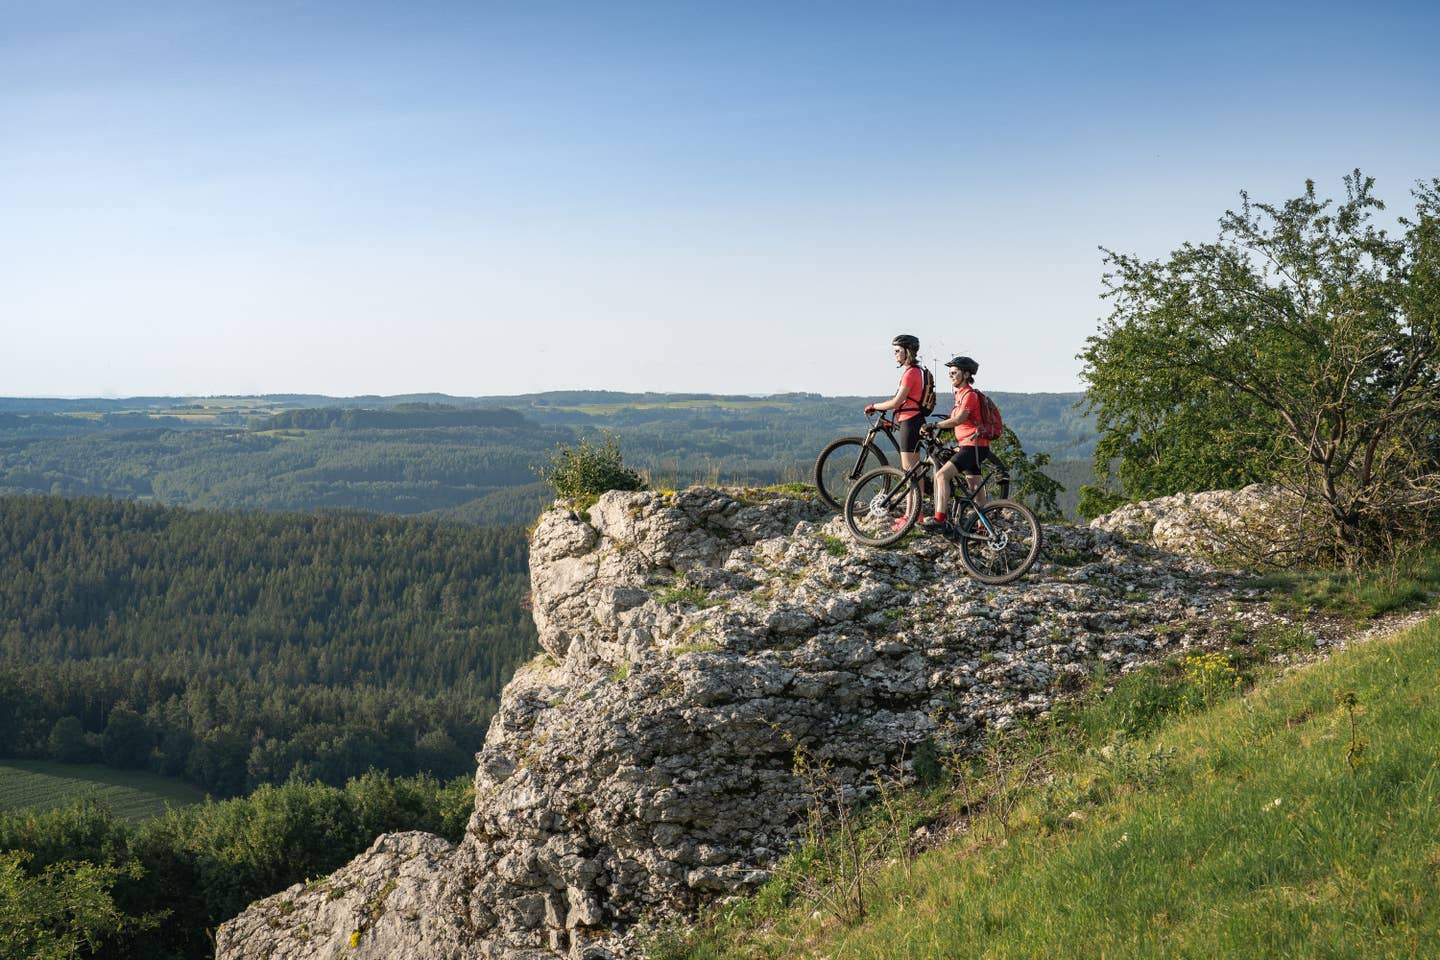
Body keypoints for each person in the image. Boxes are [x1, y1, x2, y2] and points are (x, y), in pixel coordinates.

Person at [920, 355, 1007, 528]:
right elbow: (956, 420)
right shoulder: (960, 395)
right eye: (950, 373)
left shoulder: (969, 395)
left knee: (941, 475)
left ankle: (940, 519)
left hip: (971, 447)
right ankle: (985, 528)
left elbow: (959, 419)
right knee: (975, 488)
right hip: (973, 447)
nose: (951, 375)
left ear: (966, 375)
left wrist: (934, 424)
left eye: (954, 372)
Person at [864, 334, 927, 529]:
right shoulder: (916, 371)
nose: (895, 355)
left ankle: (913, 515)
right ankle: (915, 513)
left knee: (910, 472)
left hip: (910, 423)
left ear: (908, 351)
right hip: (912, 421)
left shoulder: (911, 373)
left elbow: (897, 401)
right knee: (914, 471)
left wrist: (876, 405)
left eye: (898, 351)